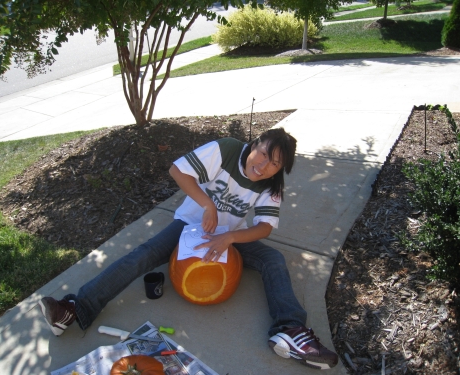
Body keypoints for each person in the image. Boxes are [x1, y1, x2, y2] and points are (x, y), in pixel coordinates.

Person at [38, 127, 339, 370]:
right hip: (187, 226)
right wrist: (207, 204)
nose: (264, 166)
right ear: (254, 143)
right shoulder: (227, 150)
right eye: (263, 154)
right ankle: (75, 310)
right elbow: (177, 171)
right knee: (143, 255)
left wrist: (230, 238)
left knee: (272, 257)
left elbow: (263, 227)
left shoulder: (270, 186)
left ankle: (290, 330)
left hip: (227, 238)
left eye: (275, 164)